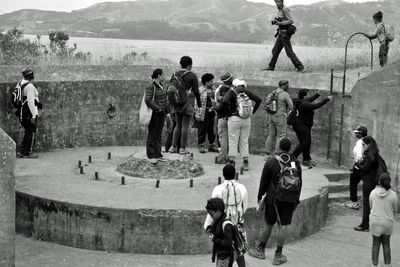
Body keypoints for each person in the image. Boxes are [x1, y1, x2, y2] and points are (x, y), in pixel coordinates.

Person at [248, 138, 302, 266]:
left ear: (279, 147)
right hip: (290, 199)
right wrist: (296, 200)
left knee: (269, 224)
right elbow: (300, 182)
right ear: (289, 148)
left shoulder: (272, 161)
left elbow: (263, 182)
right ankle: (278, 256)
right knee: (283, 226)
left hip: (273, 199)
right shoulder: (295, 163)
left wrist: (260, 197)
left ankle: (260, 250)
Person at [204, 164, 248, 267]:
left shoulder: (217, 189)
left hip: (223, 227)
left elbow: (212, 211)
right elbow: (244, 208)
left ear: (223, 175)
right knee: (239, 250)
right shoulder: (242, 188)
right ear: (235, 174)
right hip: (237, 226)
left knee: (223, 254)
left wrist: (207, 225)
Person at [222, 79, 261, 170]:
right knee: (244, 141)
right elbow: (259, 100)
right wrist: (253, 112)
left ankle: (231, 162)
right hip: (246, 119)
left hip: (234, 118)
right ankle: (246, 163)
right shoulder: (246, 92)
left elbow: (224, 102)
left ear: (235, 86)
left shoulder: (232, 92)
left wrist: (228, 113)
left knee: (233, 140)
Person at [169, 56, 201, 155]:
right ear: (189, 65)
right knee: (185, 126)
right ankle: (182, 148)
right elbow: (196, 91)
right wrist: (199, 105)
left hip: (176, 103)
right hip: (187, 103)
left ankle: (173, 147)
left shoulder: (174, 74)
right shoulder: (192, 76)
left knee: (178, 125)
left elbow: (171, 89)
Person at [292, 89, 333, 167]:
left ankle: (306, 160)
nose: (308, 95)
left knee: (307, 142)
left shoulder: (301, 101)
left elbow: (309, 99)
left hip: (303, 126)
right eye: (307, 94)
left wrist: (317, 94)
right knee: (304, 143)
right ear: (304, 95)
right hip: (301, 126)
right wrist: (327, 99)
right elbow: (316, 106)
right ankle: (292, 158)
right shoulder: (304, 104)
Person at [263, 0, 304, 72]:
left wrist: (281, 23)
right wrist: (277, 23)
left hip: (285, 34)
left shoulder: (285, 9)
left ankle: (300, 67)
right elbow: (282, 21)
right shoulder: (279, 10)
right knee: (275, 50)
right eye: (275, 2)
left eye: (278, 1)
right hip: (281, 33)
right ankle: (271, 67)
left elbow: (291, 21)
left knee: (289, 52)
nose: (276, 3)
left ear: (282, 2)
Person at [369, 173, 398, 267]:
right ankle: (388, 265)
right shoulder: (393, 195)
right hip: (387, 223)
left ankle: (374, 265)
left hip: (375, 222)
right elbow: (395, 210)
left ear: (379, 182)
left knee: (375, 244)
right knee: (386, 244)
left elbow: (371, 206)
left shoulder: (373, 193)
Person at [354, 136, 381, 232]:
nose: (363, 146)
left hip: (368, 182)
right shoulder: (374, 154)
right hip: (371, 182)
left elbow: (365, 169)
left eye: (363, 144)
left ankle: (364, 225)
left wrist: (357, 164)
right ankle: (365, 224)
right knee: (368, 204)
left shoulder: (370, 155)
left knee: (366, 204)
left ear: (368, 144)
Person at [145, 68, 169, 161]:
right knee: (152, 134)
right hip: (155, 113)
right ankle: (151, 155)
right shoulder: (151, 86)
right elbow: (147, 100)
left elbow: (164, 99)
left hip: (162, 113)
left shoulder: (162, 85)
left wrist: (166, 111)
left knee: (159, 134)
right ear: (158, 75)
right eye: (163, 75)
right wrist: (158, 108)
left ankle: (158, 153)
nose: (164, 76)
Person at [16, 68, 41, 158]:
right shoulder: (29, 86)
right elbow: (30, 101)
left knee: (28, 131)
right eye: (32, 74)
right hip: (29, 112)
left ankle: (23, 151)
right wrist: (33, 116)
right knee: (31, 132)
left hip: (23, 111)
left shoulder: (20, 83)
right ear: (30, 76)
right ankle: (28, 153)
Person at [206, 198, 238, 267]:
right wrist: (210, 228)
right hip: (220, 255)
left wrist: (215, 239)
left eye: (212, 215)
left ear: (218, 210)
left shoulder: (226, 225)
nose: (212, 217)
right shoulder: (218, 220)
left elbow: (228, 243)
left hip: (225, 257)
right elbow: (216, 229)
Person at [264, 80, 293, 158]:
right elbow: (291, 106)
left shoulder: (273, 93)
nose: (288, 86)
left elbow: (266, 102)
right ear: (282, 85)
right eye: (286, 85)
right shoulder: (285, 94)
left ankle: (267, 154)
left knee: (271, 135)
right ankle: (277, 154)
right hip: (280, 117)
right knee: (280, 136)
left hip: (271, 116)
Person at [345, 126, 368, 210]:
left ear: (360, 134)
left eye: (356, 132)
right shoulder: (367, 141)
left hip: (359, 167)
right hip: (365, 167)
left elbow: (359, 157)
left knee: (353, 184)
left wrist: (354, 165)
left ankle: (354, 202)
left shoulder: (360, 142)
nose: (355, 133)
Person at [195, 73, 218, 153]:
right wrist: (197, 114)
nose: (212, 83)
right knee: (202, 129)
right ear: (206, 82)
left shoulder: (214, 90)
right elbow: (197, 103)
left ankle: (212, 144)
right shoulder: (200, 90)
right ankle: (201, 145)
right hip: (203, 113)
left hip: (212, 112)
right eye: (211, 81)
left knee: (212, 129)